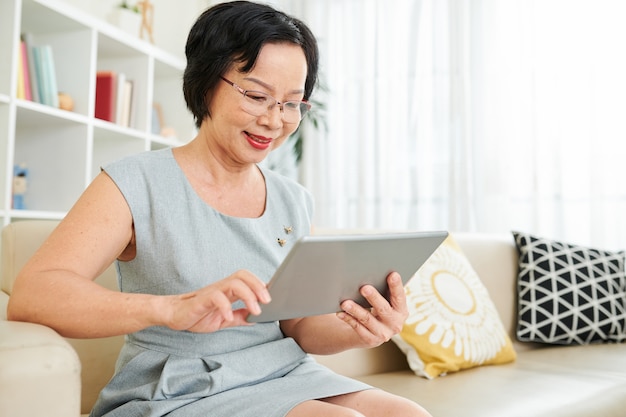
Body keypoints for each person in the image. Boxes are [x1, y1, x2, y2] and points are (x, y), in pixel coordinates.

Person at [7, 2, 432, 416]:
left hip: (284, 373)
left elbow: (298, 325)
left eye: (291, 103)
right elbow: (33, 295)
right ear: (207, 81)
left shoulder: (294, 199)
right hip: (179, 388)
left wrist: (361, 329)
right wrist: (171, 308)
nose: (274, 119)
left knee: (408, 413)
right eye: (257, 95)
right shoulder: (135, 182)